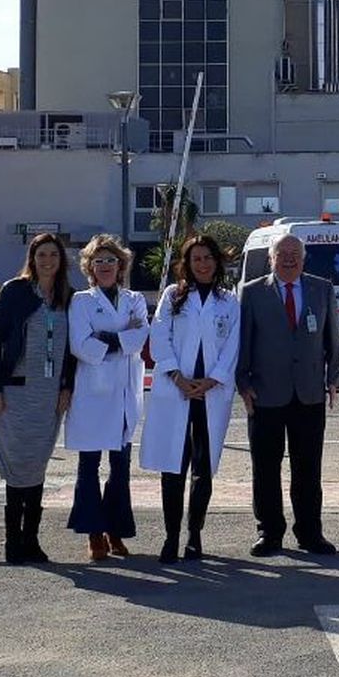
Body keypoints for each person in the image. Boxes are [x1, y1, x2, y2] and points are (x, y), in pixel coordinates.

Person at [236, 234, 339, 556]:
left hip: (309, 394)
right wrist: (243, 382)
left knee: (308, 469)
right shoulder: (252, 292)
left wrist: (334, 378)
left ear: (304, 258)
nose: (289, 259)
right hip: (265, 394)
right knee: (265, 469)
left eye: (295, 254)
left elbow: (333, 339)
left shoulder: (321, 289)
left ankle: (310, 533)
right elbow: (243, 341)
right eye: (282, 254)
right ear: (271, 259)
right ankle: (269, 532)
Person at [140, 234, 239, 563]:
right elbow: (159, 338)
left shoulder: (229, 301)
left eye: (208, 258)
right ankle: (170, 537)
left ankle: (194, 535)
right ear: (188, 263)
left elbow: (232, 347)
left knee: (203, 468)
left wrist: (213, 379)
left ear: (217, 261)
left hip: (211, 393)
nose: (203, 264)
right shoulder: (172, 296)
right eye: (196, 258)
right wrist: (178, 378)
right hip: (176, 390)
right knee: (173, 467)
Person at [0, 233, 76, 564]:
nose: (47, 260)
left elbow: (72, 351)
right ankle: (13, 542)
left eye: (53, 254)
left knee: (37, 463)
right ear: (32, 258)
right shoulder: (15, 291)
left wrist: (67, 386)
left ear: (61, 259)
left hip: (49, 394)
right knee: (17, 463)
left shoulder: (68, 296)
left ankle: (31, 540)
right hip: (16, 391)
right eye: (41, 255)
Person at [64, 234, 150, 561]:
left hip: (126, 389)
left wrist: (109, 338)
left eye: (110, 260)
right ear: (89, 266)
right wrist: (121, 339)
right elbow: (80, 345)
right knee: (89, 465)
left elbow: (142, 333)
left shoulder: (134, 299)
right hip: (93, 390)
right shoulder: (82, 301)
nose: (104, 266)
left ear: (121, 265)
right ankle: (93, 532)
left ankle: (115, 529)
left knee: (120, 466)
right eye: (98, 261)